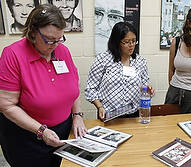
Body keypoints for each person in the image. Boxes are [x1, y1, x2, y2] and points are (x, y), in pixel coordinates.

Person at [0, 4, 87, 167]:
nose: (55, 45)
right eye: (49, 39)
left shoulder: (62, 51)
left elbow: (74, 88)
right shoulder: (12, 55)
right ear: (33, 32)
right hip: (28, 139)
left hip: (61, 133)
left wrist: (77, 116)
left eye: (59, 39)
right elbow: (6, 106)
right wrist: (41, 131)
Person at [85, 22, 154, 121]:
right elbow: (91, 88)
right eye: (126, 42)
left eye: (134, 41)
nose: (131, 45)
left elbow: (144, 85)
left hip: (133, 115)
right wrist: (99, 107)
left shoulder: (140, 62)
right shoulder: (103, 60)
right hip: (108, 114)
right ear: (117, 42)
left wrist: (147, 89)